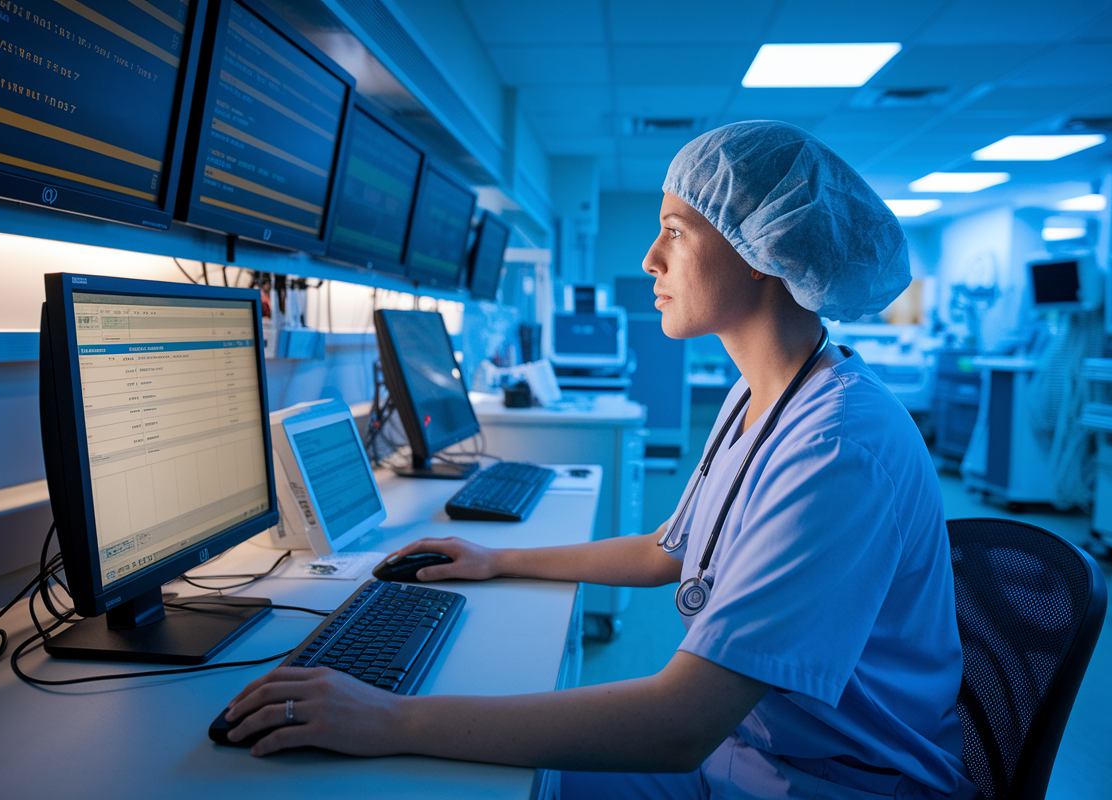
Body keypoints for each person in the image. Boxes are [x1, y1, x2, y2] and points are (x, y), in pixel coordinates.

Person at [222, 121, 978, 799]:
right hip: (745, 753)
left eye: (676, 232)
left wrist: (393, 718)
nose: (650, 259)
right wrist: (496, 560)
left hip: (831, 784)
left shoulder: (837, 446)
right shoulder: (763, 397)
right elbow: (668, 551)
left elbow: (677, 726)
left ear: (760, 253)